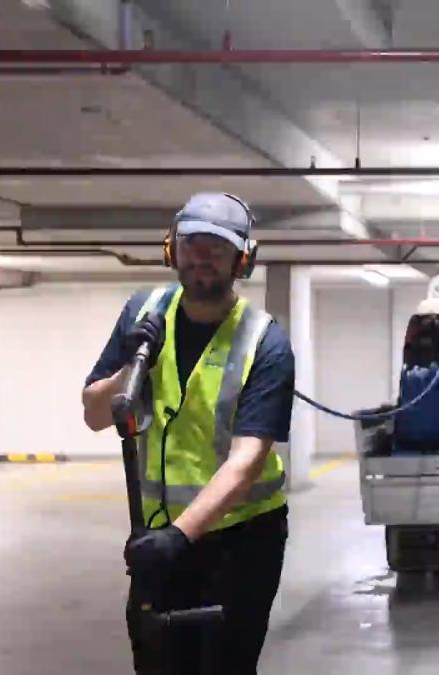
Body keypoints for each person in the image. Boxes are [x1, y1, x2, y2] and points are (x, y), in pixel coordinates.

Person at [80, 192, 295, 674]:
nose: (201, 257)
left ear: (243, 261)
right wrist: (132, 367)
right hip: (158, 532)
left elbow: (247, 460)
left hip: (242, 540)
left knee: (223, 665)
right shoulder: (143, 312)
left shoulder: (265, 341)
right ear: (171, 249)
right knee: (156, 663)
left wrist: (180, 536)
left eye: (216, 248)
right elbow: (95, 413)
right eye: (191, 243)